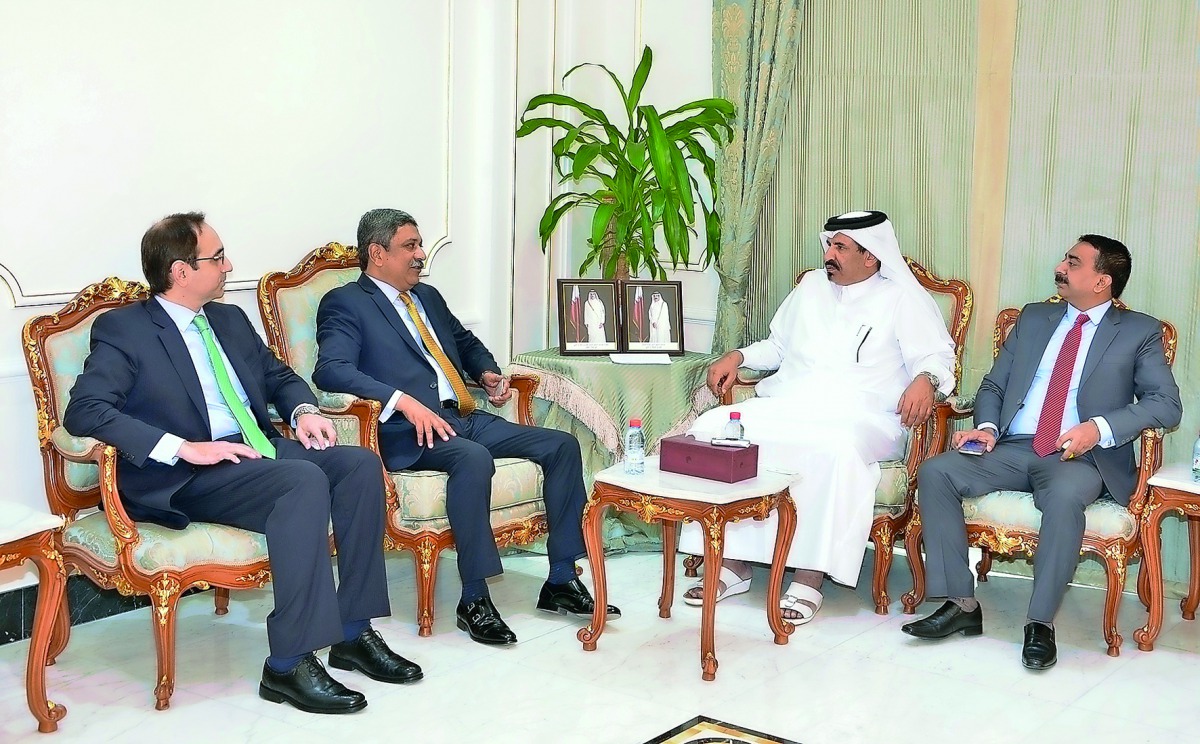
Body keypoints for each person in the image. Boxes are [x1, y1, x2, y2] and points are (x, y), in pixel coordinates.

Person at [63, 213, 420, 716]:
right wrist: (182, 446)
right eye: (218, 257)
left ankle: (352, 631)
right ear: (181, 271)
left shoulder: (228, 319)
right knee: (302, 480)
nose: (229, 266)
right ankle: (288, 665)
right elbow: (85, 409)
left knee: (359, 465)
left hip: (254, 451)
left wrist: (303, 409)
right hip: (188, 474)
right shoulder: (125, 329)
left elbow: (278, 375)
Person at [313, 208, 620, 647]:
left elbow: (465, 343)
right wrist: (402, 402)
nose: (421, 255)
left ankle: (560, 578)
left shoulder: (428, 297)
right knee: (472, 459)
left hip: (462, 417)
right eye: (410, 247)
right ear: (377, 254)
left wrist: (488, 372)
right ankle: (474, 599)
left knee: (561, 445)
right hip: (409, 433)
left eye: (420, 245)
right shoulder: (347, 302)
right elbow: (332, 370)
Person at [902, 234, 1181, 671]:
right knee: (937, 472)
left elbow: (1166, 405)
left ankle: (1039, 623)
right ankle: (961, 604)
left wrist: (1099, 428)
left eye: (1073, 262)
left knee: (1065, 499)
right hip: (1014, 446)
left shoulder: (1139, 332)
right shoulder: (1034, 318)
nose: (1060, 267)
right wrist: (989, 428)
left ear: (1102, 280)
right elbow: (994, 385)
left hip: (1079, 458)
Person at [678, 210, 955, 625]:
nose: (830, 254)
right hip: (791, 402)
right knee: (712, 428)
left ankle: (810, 576)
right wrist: (738, 356)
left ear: (871, 256)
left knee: (830, 450)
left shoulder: (902, 298)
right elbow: (777, 347)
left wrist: (926, 380)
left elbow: (936, 357)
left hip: (864, 416)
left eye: (841, 247)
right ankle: (733, 564)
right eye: (829, 244)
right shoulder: (811, 287)